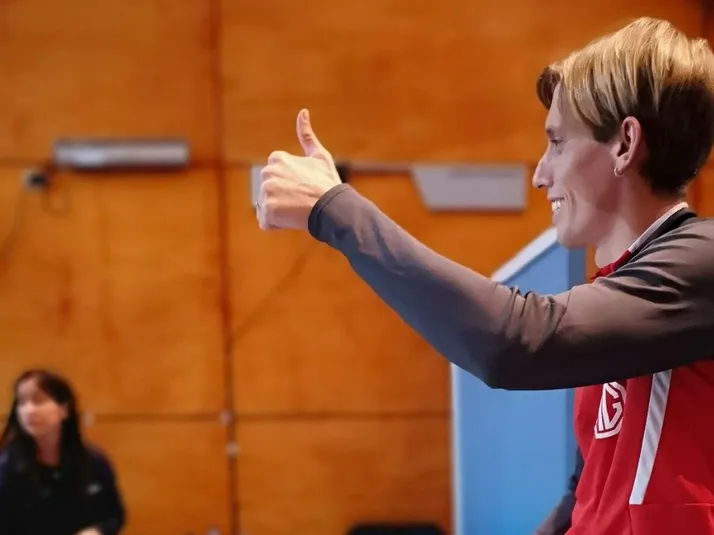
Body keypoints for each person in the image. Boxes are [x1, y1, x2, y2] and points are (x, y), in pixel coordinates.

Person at [255, 16, 714, 535]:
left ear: (625, 144)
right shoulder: (626, 289)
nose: (540, 174)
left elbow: (513, 340)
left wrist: (334, 210)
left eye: (557, 143)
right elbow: (588, 487)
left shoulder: (703, 261)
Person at [0, 369, 126, 535]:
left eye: (39, 400)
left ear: (64, 409)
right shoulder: (7, 467)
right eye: (22, 402)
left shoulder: (93, 461)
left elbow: (114, 515)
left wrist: (97, 531)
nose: (29, 410)